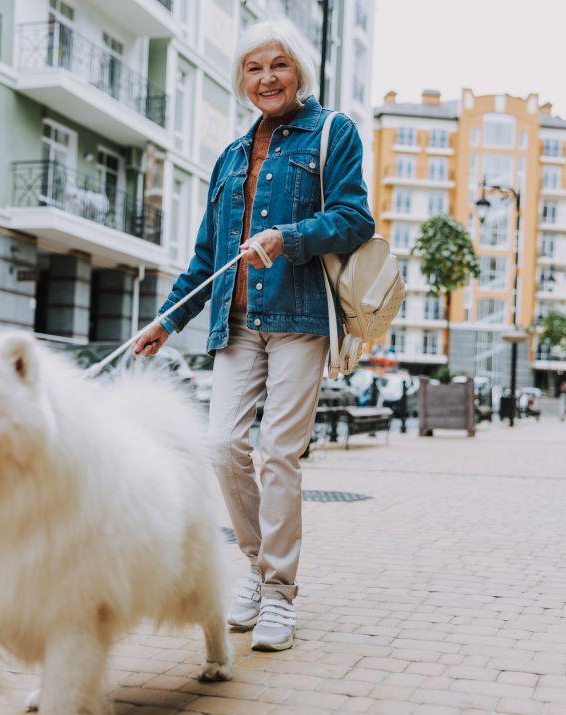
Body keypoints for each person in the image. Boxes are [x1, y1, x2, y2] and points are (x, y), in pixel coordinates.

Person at [131, 19, 374, 652]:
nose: (266, 79)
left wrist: (287, 238)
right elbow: (209, 253)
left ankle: (279, 595)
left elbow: (353, 218)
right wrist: (167, 319)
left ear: (300, 73)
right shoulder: (231, 156)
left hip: (299, 320)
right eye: (253, 69)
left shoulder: (331, 133)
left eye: (279, 66)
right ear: (241, 79)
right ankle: (258, 569)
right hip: (233, 323)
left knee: (278, 454)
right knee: (222, 446)